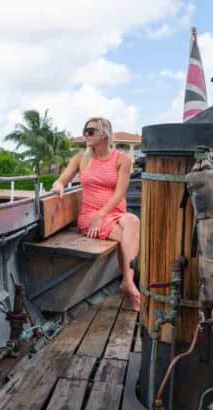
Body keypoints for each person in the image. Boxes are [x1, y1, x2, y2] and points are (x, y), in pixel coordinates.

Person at [51, 117, 141, 309]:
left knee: (133, 221)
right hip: (90, 216)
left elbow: (120, 194)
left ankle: (126, 281)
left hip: (112, 213)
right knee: (128, 237)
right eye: (85, 131)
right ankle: (128, 282)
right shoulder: (80, 159)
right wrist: (58, 186)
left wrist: (102, 216)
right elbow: (61, 180)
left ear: (104, 133)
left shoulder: (123, 159)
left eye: (91, 131)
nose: (86, 135)